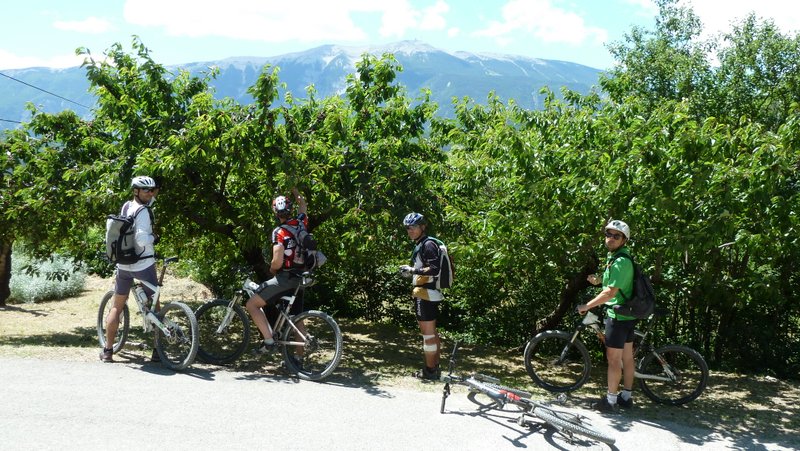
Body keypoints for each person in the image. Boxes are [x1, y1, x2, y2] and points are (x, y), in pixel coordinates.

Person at [577, 220, 636, 412]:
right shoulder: (620, 258)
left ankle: (610, 402)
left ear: (624, 240)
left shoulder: (620, 261)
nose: (610, 238)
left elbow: (610, 293)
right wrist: (598, 280)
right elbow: (613, 282)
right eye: (608, 234)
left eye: (616, 236)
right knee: (627, 358)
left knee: (613, 360)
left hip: (617, 317)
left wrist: (587, 305)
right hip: (626, 316)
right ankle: (626, 397)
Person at [100, 176, 160, 362]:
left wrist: (154, 192)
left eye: (152, 190)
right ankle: (159, 351)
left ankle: (108, 351)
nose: (150, 193)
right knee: (155, 305)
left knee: (116, 307)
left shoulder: (127, 206)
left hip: (123, 264)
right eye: (146, 190)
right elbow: (142, 239)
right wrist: (154, 238)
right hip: (143, 264)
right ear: (136, 191)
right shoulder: (143, 212)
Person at [246, 187, 308, 355]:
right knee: (298, 318)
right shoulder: (301, 224)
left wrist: (272, 271)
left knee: (252, 304)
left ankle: (269, 342)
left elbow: (277, 261)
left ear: (275, 212)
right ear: (290, 209)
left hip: (285, 278)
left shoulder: (279, 232)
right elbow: (303, 205)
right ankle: (298, 360)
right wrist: (295, 189)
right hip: (300, 277)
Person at [399, 212, 443, 380]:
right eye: (408, 228)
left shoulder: (428, 244)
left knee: (428, 334)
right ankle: (434, 367)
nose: (410, 230)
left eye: (414, 227)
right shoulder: (423, 244)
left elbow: (434, 268)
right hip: (427, 293)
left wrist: (413, 271)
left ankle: (429, 371)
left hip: (425, 294)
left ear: (423, 227)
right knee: (431, 333)